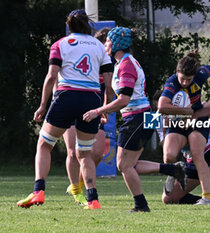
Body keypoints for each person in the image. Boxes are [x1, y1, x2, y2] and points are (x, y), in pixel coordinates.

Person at [17, 9, 114, 210]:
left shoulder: (61, 44)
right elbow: (109, 84)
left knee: (44, 144)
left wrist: (43, 105)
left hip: (66, 97)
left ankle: (38, 191)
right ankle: (93, 199)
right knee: (84, 154)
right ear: (88, 24)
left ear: (69, 25)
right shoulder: (99, 47)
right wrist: (104, 108)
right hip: (91, 100)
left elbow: (52, 76)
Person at [83, 26, 155, 212]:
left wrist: (98, 111)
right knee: (129, 164)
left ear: (116, 44)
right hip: (143, 115)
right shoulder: (122, 63)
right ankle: (172, 170)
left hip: (138, 117)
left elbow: (124, 100)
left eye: (107, 41)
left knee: (123, 164)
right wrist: (106, 108)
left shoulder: (125, 65)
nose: (105, 44)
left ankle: (141, 205)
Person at [158, 52, 210, 205]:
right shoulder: (172, 83)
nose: (185, 82)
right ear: (176, 73)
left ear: (195, 75)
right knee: (168, 156)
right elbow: (162, 106)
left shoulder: (201, 74)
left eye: (189, 79)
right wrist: (184, 111)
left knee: (197, 154)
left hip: (197, 119)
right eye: (182, 79)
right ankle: (175, 170)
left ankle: (207, 197)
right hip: (179, 120)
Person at [64, 27, 113, 206]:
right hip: (70, 104)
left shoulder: (110, 62)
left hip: (93, 110)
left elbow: (109, 88)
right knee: (72, 150)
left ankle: (80, 183)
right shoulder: (82, 54)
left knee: (97, 152)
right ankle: (77, 191)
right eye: (108, 43)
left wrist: (104, 109)